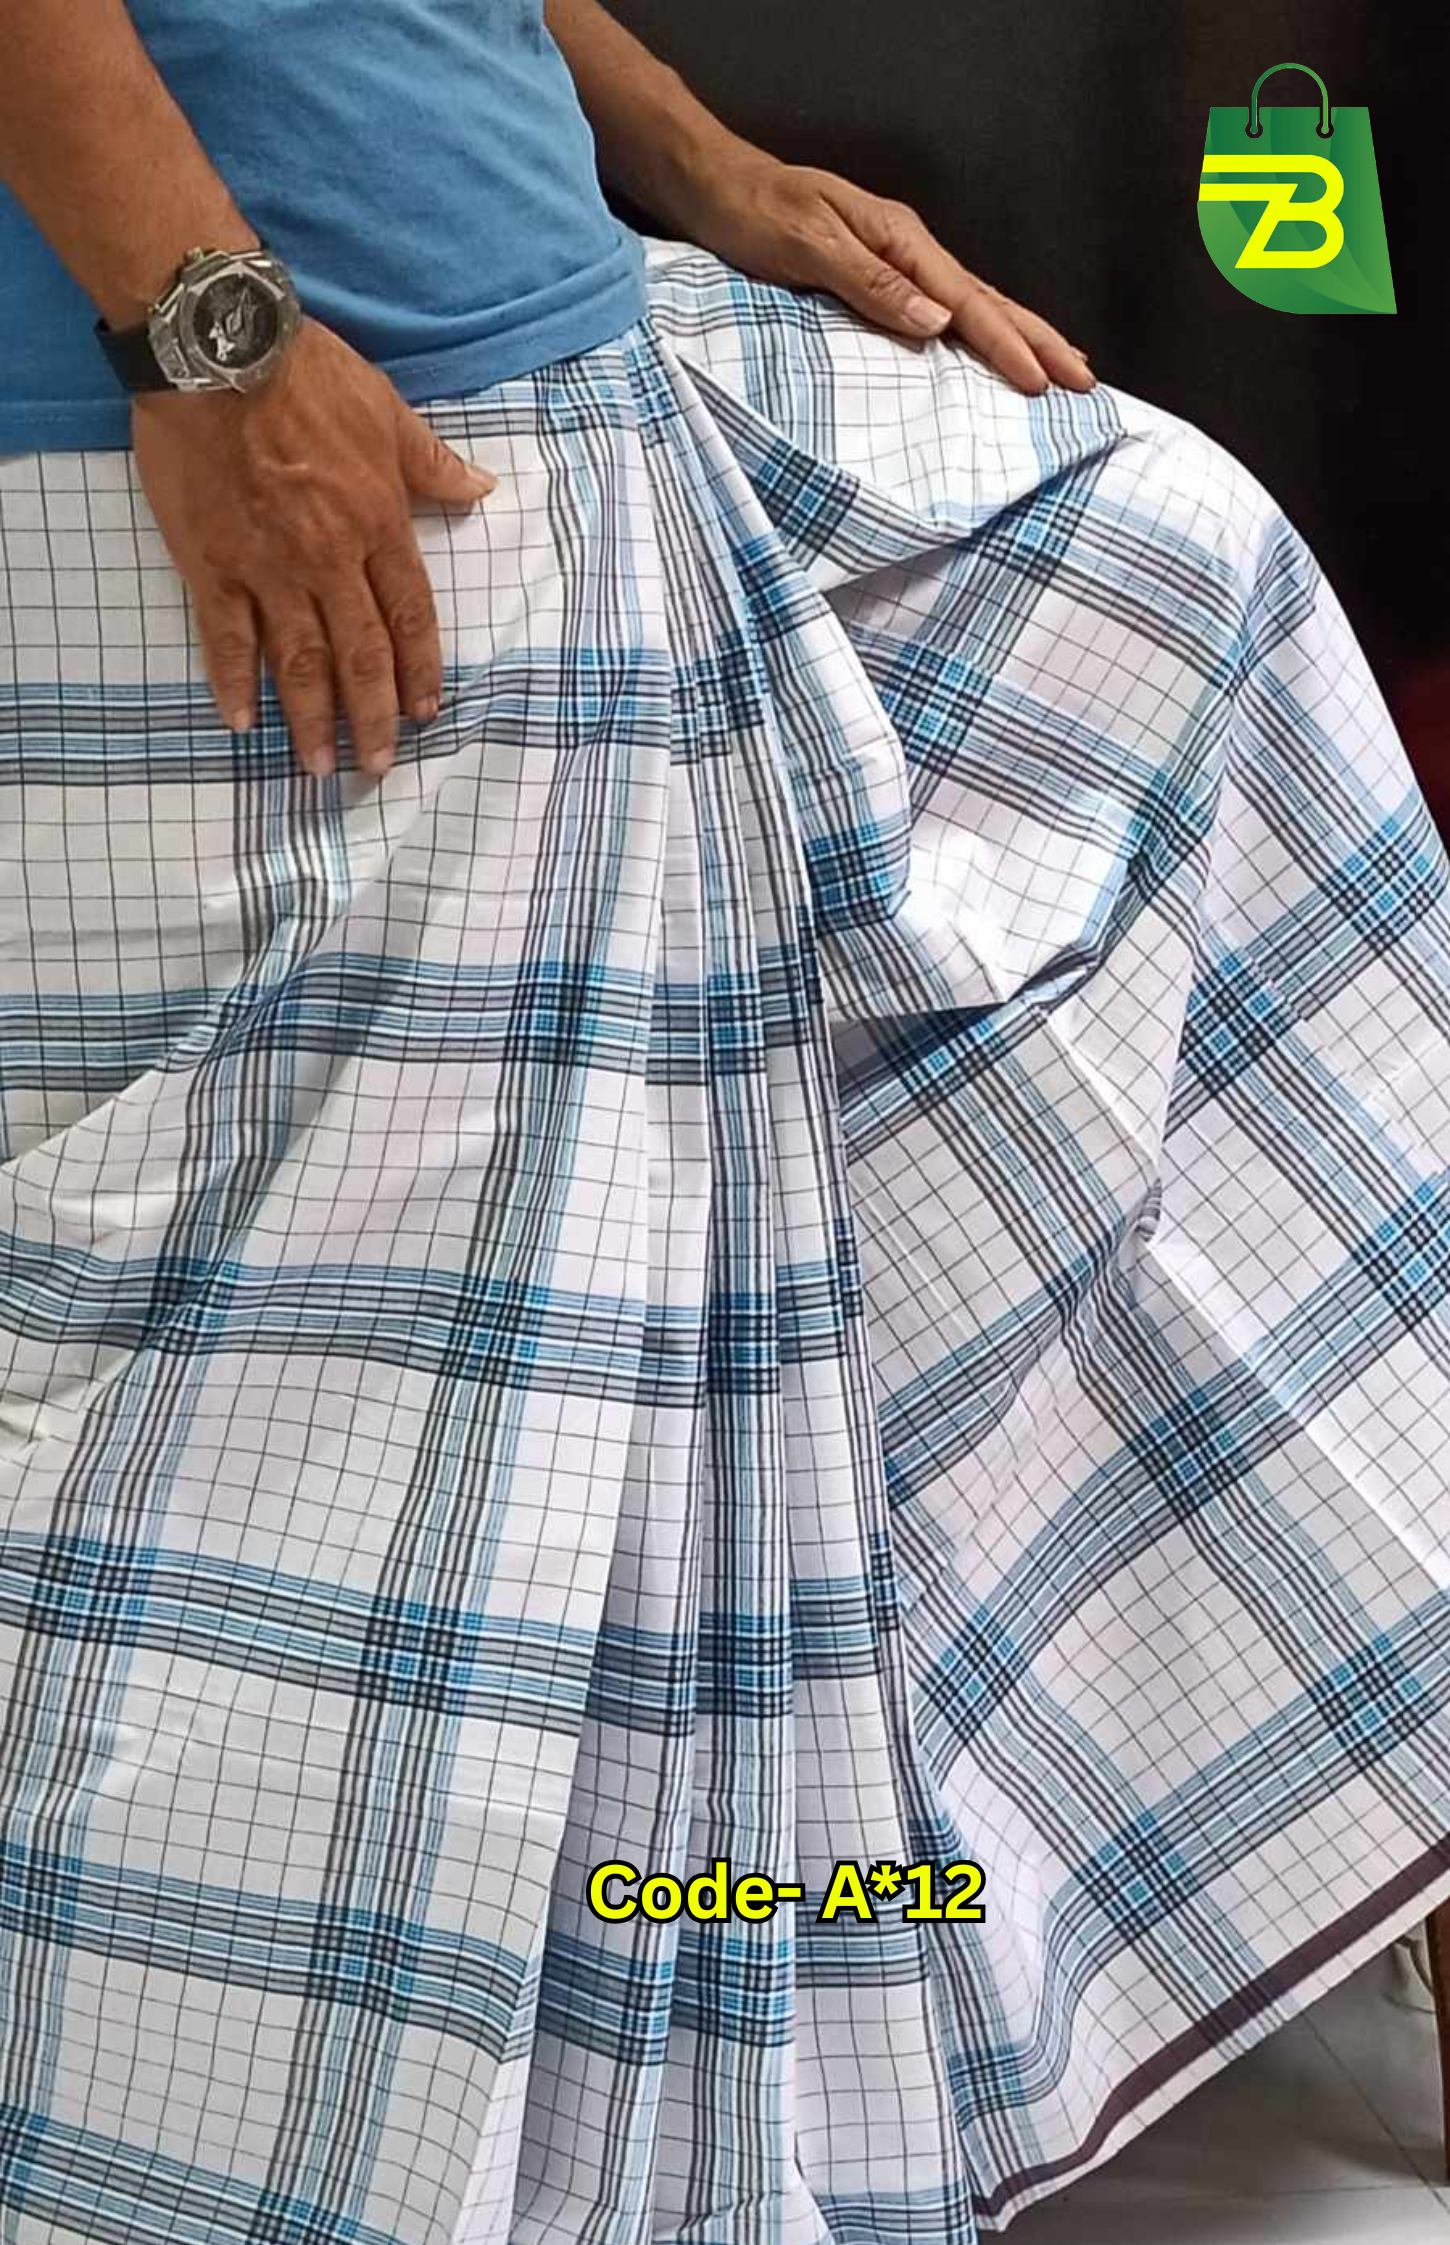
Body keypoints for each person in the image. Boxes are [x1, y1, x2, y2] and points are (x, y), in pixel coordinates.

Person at [0, 7, 1446, 2244]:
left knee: (1167, 563)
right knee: (323, 1569)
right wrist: (211, 336)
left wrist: (682, 152)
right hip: (247, 457)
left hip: (511, 378)